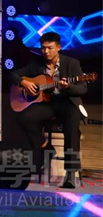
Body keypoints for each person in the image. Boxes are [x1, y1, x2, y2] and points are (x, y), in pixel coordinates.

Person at [10, 32, 87, 188]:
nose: (46, 52)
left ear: (58, 47)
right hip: (48, 104)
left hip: (68, 103)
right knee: (23, 118)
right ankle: (46, 148)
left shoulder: (72, 63)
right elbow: (13, 74)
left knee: (72, 130)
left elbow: (83, 89)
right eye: (43, 48)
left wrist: (69, 87)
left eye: (50, 48)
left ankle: (70, 174)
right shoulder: (37, 63)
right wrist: (24, 83)